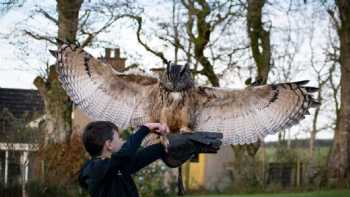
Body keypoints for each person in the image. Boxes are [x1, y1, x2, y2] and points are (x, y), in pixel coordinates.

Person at [79, 121, 222, 197]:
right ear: (108, 145)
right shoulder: (95, 170)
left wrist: (168, 142)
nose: (123, 141)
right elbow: (125, 154)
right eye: (119, 138)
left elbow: (142, 156)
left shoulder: (118, 167)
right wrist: (145, 128)